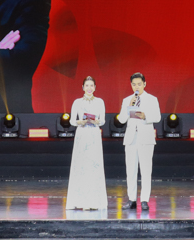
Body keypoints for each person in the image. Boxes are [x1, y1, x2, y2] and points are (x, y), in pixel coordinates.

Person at [118, 72, 161, 211]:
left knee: (146, 170)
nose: (136, 87)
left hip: (146, 138)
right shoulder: (127, 100)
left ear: (144, 84)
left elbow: (157, 117)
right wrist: (128, 107)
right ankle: (131, 199)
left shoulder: (152, 99)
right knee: (130, 170)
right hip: (131, 138)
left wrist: (145, 116)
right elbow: (121, 119)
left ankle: (144, 200)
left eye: (139, 84)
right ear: (131, 85)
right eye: (134, 84)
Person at [65, 76, 108, 210]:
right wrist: (81, 122)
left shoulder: (100, 102)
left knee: (94, 164)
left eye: (91, 85)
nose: (89, 88)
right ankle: (80, 201)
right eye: (87, 85)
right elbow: (72, 121)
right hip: (82, 133)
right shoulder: (77, 102)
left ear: (95, 87)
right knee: (81, 164)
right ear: (82, 87)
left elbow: (103, 120)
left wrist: (96, 121)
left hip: (94, 133)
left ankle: (94, 201)